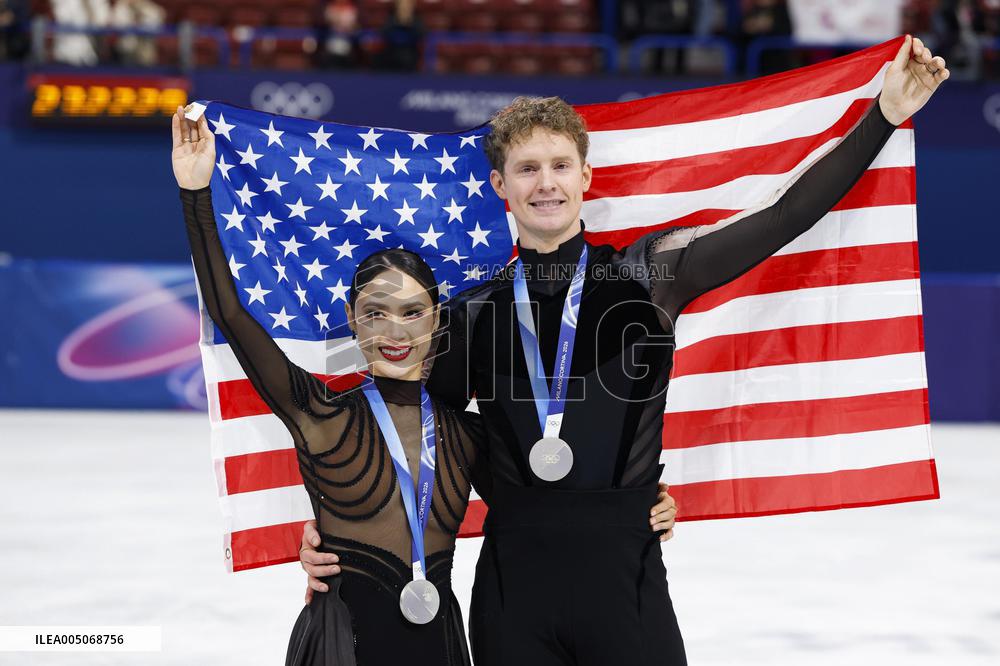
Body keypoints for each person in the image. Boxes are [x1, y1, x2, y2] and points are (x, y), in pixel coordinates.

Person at [300, 35, 948, 665]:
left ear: (587, 174)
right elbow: (417, 438)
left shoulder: (648, 277)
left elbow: (782, 219)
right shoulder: (475, 313)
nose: (545, 183)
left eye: (559, 165)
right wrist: (344, 531)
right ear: (501, 183)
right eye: (527, 168)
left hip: (626, 581)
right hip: (511, 592)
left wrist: (884, 116)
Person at [172, 107, 488, 665]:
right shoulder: (321, 413)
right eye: (376, 313)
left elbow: (546, 503)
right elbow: (231, 312)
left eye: (413, 312)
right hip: (342, 644)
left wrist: (640, 504)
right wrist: (196, 193)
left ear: (438, 318)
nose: (395, 331)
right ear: (352, 319)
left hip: (439, 647)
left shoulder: (466, 432)